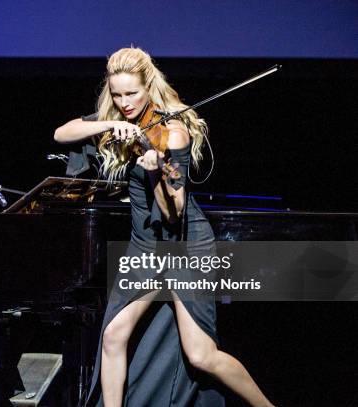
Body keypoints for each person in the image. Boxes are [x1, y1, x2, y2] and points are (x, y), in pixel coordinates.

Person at [54, 48, 274, 406]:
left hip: (184, 245)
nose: (124, 102)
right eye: (117, 94)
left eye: (132, 94)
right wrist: (110, 124)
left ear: (148, 87)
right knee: (113, 336)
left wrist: (156, 171)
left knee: (201, 355)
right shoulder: (119, 124)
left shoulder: (172, 133)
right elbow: (62, 134)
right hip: (145, 246)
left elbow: (174, 214)